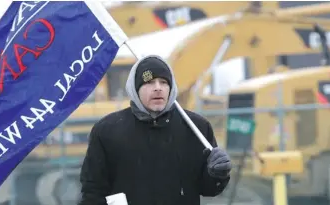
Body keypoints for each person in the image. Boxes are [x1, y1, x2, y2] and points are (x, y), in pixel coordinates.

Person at [78, 55, 232, 205]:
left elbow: (208, 189)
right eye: (149, 82)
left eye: (164, 82)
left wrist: (218, 174)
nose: (158, 88)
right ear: (135, 89)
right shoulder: (107, 130)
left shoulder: (196, 127)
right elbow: (93, 192)